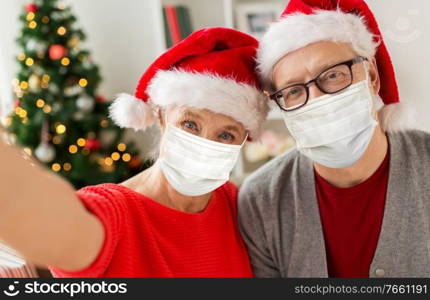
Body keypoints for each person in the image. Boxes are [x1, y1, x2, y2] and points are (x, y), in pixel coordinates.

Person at [0, 27, 269, 277]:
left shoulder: (233, 203)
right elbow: (62, 231)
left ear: (243, 140)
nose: (205, 143)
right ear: (162, 117)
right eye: (190, 124)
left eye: (226, 134)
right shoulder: (118, 211)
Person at [238, 0, 430, 278]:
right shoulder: (263, 199)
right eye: (293, 91)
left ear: (372, 76)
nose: (316, 100)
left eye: (333, 75)